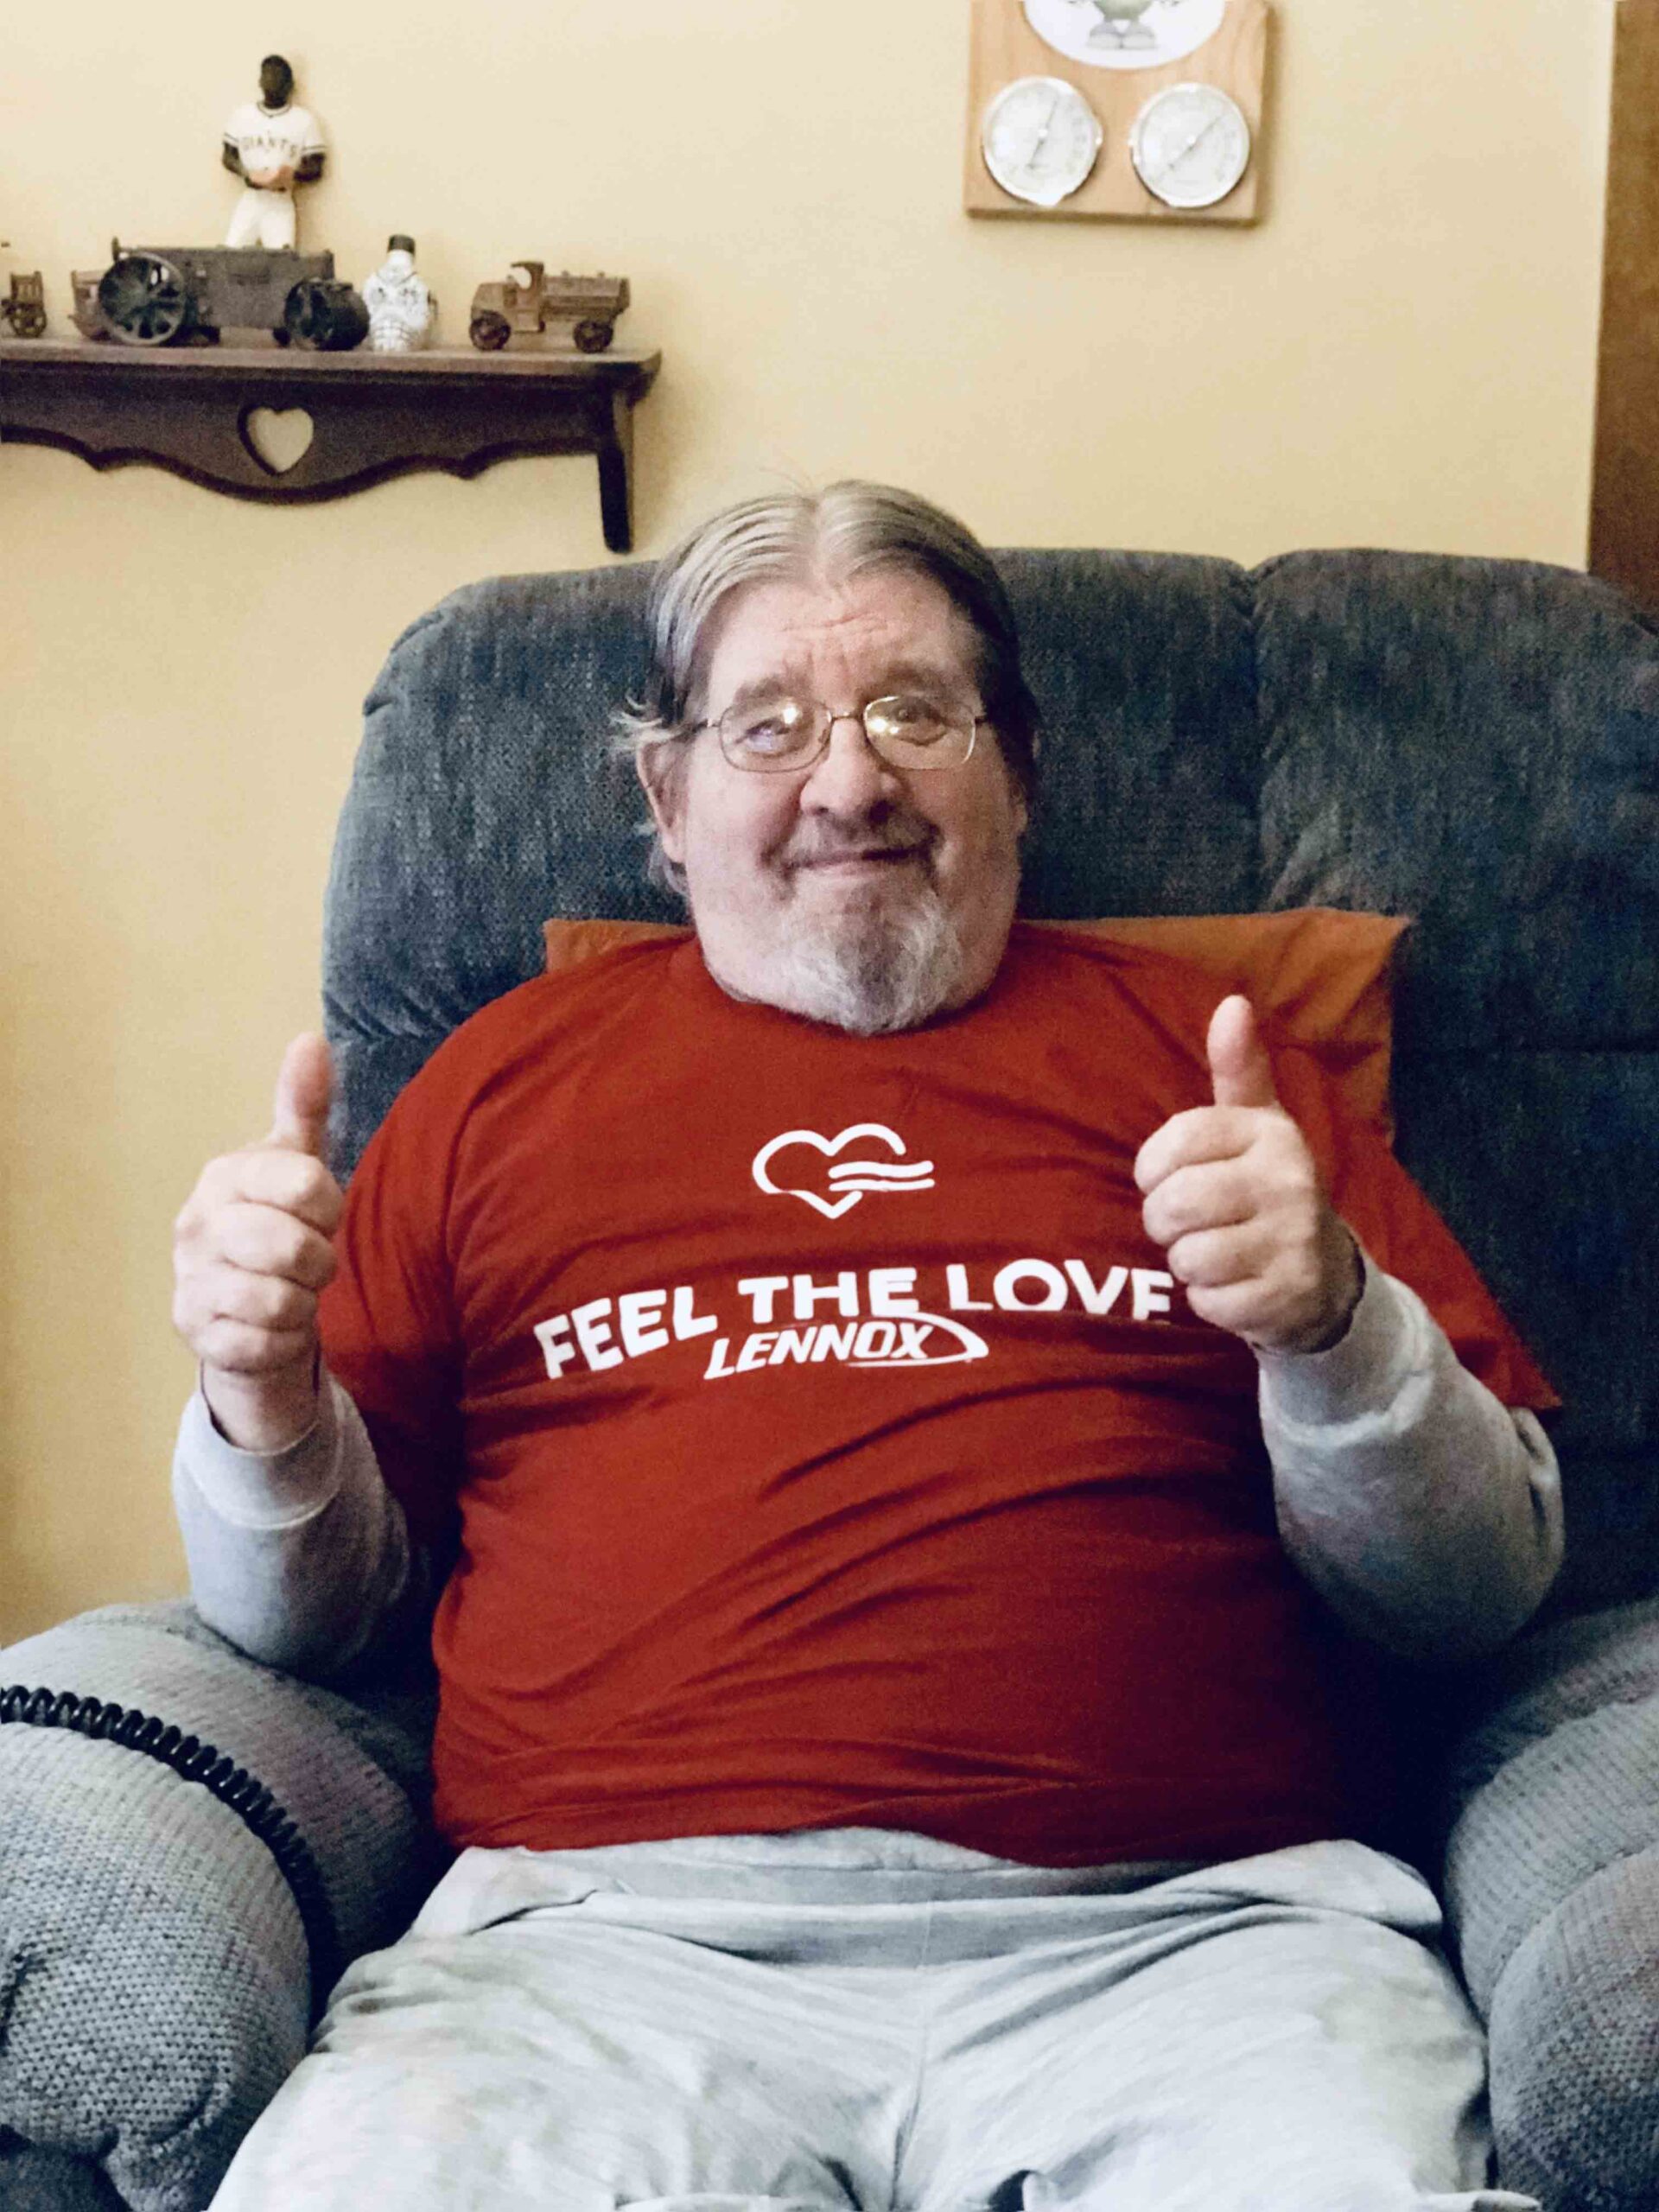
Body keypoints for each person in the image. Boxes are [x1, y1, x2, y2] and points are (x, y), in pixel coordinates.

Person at [173, 482, 1560, 2212]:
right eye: (768, 726)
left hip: (1195, 1945)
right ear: (667, 800)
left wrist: (1329, 1323)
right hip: (600, 1964)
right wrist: (258, 1393)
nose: (849, 784)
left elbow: (1479, 1591)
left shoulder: (1215, 1062)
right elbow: (305, 1623)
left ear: (1017, 771)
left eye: (914, 711)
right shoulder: (495, 1086)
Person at [221, 55, 325, 252]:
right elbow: (228, 156)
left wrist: (291, 175)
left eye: (279, 78)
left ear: (290, 85)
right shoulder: (243, 115)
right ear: (260, 81)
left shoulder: (304, 120)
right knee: (230, 254)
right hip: (251, 198)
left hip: (280, 201)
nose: (273, 82)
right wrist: (247, 174)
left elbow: (316, 166)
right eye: (268, 76)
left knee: (282, 260)